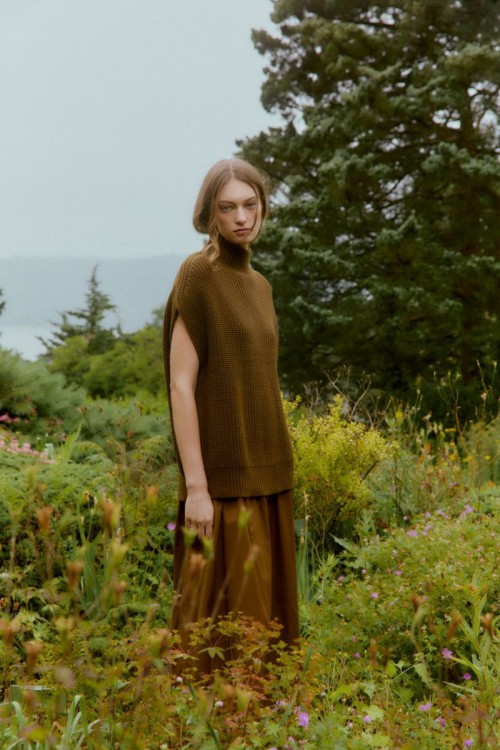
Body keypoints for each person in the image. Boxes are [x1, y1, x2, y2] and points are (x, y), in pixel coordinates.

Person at [163, 158, 299, 672]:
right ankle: (209, 716)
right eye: (227, 208)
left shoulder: (260, 285)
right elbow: (181, 385)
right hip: (221, 485)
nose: (241, 217)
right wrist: (197, 488)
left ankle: (270, 716)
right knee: (214, 634)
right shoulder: (198, 274)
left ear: (262, 207)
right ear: (209, 215)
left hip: (269, 476)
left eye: (249, 204)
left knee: (266, 629)